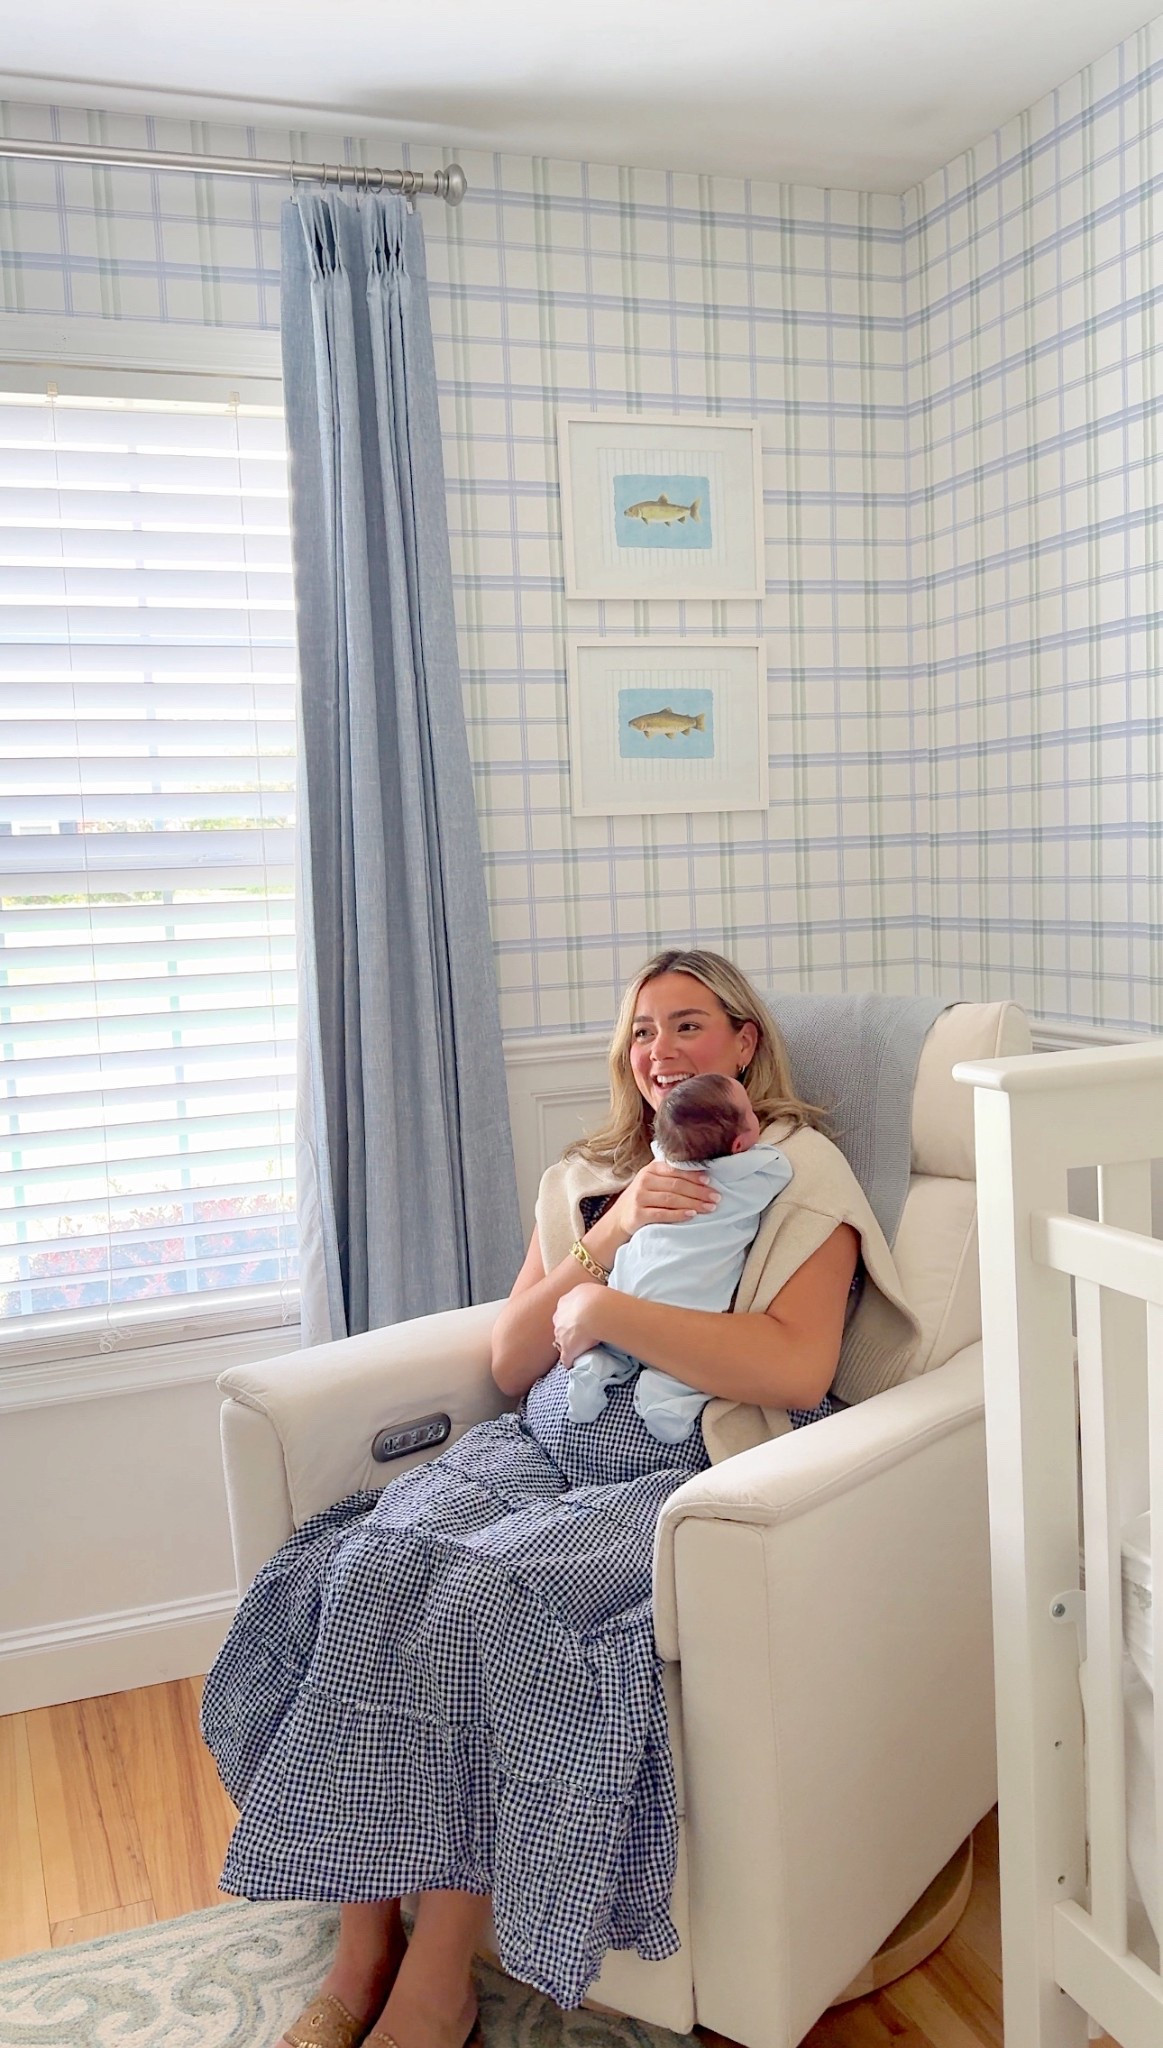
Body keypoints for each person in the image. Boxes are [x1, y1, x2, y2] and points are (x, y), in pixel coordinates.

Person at [201, 948, 915, 2048]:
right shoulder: (590, 1172)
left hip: (679, 1468)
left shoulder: (793, 1168)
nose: (660, 1050)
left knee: (486, 1594)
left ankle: (435, 1977)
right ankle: (362, 1945)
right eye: (641, 1032)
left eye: (686, 1025)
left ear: (739, 1038)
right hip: (542, 1445)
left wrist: (617, 1316)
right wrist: (615, 1226)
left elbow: (790, 1365)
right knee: (372, 1560)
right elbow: (509, 1355)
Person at [566, 1072, 795, 1441]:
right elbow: (780, 1171)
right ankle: (666, 1402)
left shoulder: (661, 1163)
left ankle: (592, 1370)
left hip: (624, 1287)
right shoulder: (746, 1176)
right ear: (739, 1144)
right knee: (680, 1367)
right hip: (683, 1302)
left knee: (615, 1350)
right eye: (751, 1113)